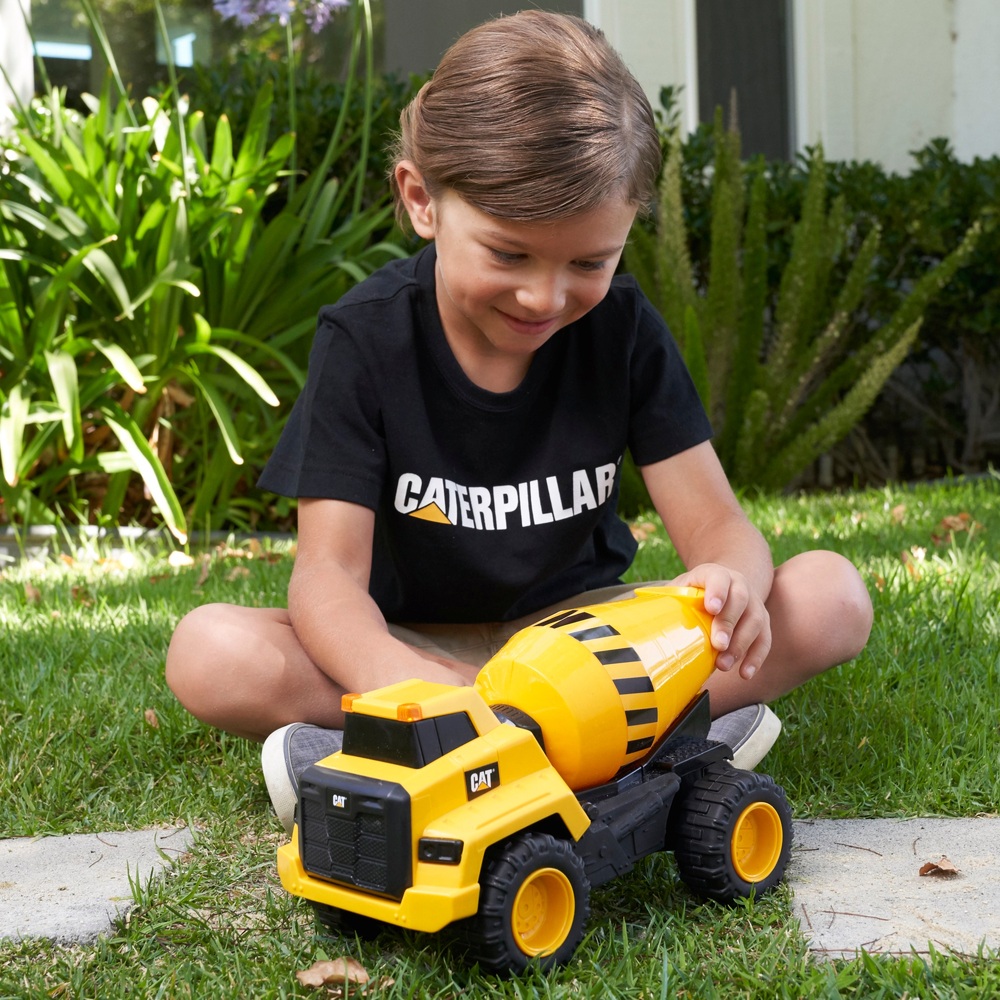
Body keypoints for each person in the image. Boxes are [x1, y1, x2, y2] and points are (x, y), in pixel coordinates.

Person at [165, 10, 873, 833]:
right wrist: (428, 683)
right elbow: (326, 582)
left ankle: (414, 754)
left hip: (587, 654)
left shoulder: (623, 330)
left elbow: (719, 525)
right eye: (509, 254)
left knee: (829, 597)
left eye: (588, 262)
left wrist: (734, 585)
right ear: (422, 200)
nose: (546, 297)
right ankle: (627, 747)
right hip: (412, 649)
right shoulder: (364, 341)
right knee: (210, 652)